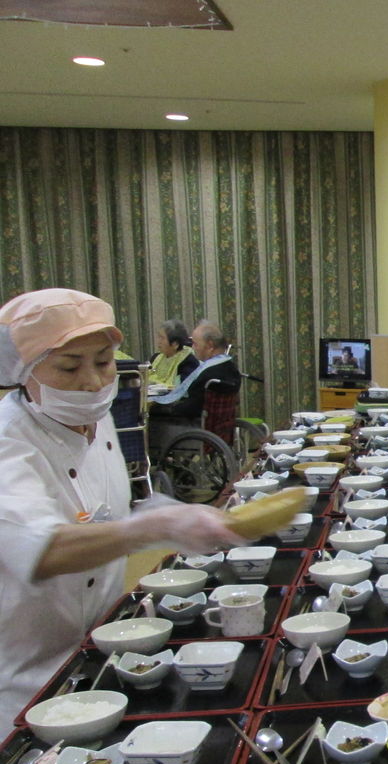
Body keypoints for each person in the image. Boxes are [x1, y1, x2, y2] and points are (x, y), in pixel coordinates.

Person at [0, 289, 243, 731]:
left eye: (104, 361)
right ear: (24, 371)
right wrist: (151, 528)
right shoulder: (9, 443)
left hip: (104, 649)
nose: (93, 382)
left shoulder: (100, 419)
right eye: (69, 367)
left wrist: (161, 513)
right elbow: (43, 548)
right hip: (28, 681)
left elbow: (105, 513)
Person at [149, 321, 241, 423]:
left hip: (193, 424)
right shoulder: (231, 368)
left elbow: (192, 407)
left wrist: (168, 409)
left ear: (210, 345)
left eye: (195, 344)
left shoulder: (208, 374)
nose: (192, 348)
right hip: (220, 424)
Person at [148, 320, 198, 388]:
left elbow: (184, 388)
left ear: (175, 344)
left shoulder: (188, 362)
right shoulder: (155, 357)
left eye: (162, 338)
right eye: (158, 337)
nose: (158, 341)